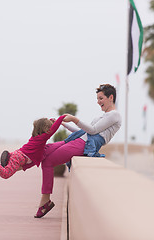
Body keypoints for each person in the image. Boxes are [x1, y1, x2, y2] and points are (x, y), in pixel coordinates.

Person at [36, 83, 122, 218]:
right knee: (43, 150)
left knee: (48, 161)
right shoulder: (103, 116)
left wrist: (75, 119)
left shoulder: (114, 116)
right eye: (97, 99)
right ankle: (15, 162)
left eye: (101, 98)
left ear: (111, 97)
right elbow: (83, 132)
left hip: (83, 145)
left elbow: (92, 131)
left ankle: (45, 201)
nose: (98, 102)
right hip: (77, 140)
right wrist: (62, 123)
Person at [0, 115, 67, 217]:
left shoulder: (35, 137)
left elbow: (44, 126)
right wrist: (62, 117)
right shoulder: (42, 138)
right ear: (45, 130)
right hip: (20, 158)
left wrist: (51, 121)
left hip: (18, 154)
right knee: (5, 174)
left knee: (3, 171)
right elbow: (53, 129)